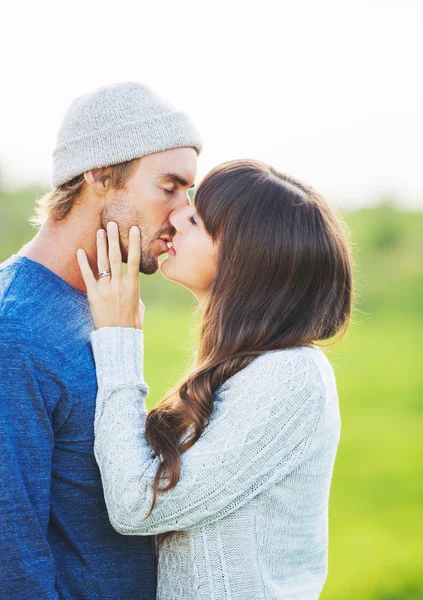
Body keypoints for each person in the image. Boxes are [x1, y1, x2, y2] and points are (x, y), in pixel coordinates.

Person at [77, 159, 354, 599]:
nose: (176, 217)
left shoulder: (290, 377)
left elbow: (136, 506)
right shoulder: (242, 365)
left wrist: (119, 339)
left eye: (198, 218)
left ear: (249, 253)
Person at [0, 81, 202, 599]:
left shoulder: (99, 302)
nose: (183, 213)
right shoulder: (15, 331)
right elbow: (11, 554)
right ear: (100, 175)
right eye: (169, 187)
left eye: (189, 193)